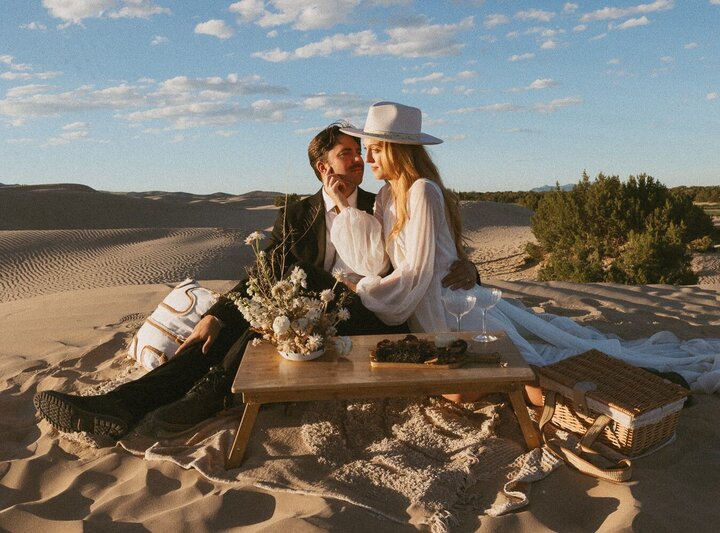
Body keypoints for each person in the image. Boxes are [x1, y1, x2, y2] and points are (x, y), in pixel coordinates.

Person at [327, 101, 720, 422]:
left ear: (398, 148)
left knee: (538, 364)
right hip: (428, 311)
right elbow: (379, 258)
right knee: (495, 378)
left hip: (453, 308)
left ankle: (651, 388)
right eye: (364, 147)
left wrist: (366, 291)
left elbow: (417, 272)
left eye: (373, 146)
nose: (366, 155)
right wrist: (345, 208)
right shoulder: (388, 196)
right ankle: (624, 389)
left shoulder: (424, 191)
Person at [33, 121, 481, 440]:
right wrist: (213, 314)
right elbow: (265, 271)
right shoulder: (299, 214)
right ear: (322, 166)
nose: (361, 159)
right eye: (348, 153)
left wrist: (470, 268)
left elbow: (429, 250)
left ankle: (206, 396)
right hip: (304, 314)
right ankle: (120, 407)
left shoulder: (383, 197)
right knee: (234, 326)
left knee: (262, 327)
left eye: (363, 151)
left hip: (367, 313)